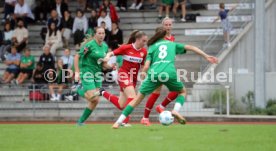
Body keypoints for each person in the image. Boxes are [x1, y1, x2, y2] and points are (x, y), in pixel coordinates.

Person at [112, 27, 218, 129]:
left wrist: (144, 73)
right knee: (182, 92)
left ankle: (118, 122)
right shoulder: (172, 44)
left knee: (136, 99)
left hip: (154, 73)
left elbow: (147, 65)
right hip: (169, 73)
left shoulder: (152, 47)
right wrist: (206, 56)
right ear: (165, 36)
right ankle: (175, 110)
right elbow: (191, 47)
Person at [97, 30, 148, 126]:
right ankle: (123, 122)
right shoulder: (126, 48)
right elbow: (110, 53)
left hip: (133, 78)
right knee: (133, 98)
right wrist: (107, 57)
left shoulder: (144, 52)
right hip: (123, 75)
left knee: (121, 105)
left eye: (146, 41)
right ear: (137, 39)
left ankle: (102, 92)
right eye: (143, 41)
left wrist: (143, 73)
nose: (145, 43)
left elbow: (142, 65)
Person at [141, 17, 178, 125]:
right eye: (166, 25)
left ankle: (160, 107)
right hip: (157, 68)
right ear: (163, 26)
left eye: (169, 25)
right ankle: (145, 118)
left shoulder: (172, 38)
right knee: (156, 92)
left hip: (168, 67)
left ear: (172, 26)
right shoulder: (158, 39)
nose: (168, 27)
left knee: (176, 91)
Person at [74, 27, 113, 125]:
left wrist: (110, 67)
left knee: (96, 100)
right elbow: (77, 56)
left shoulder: (104, 46)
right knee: (93, 97)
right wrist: (77, 73)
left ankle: (80, 122)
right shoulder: (89, 45)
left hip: (98, 74)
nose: (101, 35)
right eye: (99, 33)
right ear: (95, 34)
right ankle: (79, 89)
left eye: (103, 33)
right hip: (87, 72)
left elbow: (102, 64)